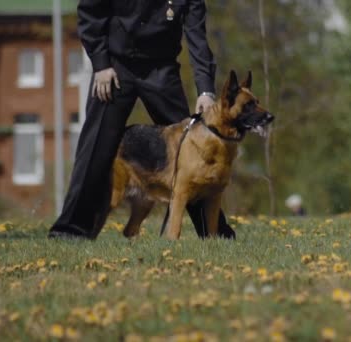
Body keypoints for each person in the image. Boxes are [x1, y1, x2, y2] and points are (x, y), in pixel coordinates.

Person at [49, 0, 236, 240]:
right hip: (115, 69)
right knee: (95, 148)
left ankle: (215, 233)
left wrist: (206, 91)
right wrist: (100, 63)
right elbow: (90, 12)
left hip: (161, 70)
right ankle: (70, 230)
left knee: (191, 151)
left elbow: (197, 38)